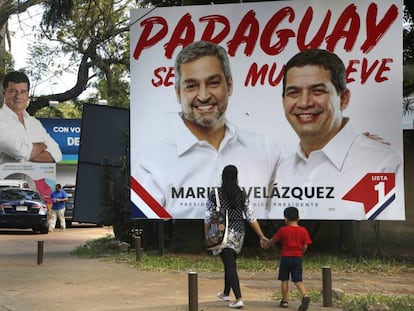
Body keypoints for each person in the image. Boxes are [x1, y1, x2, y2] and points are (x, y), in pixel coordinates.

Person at [134, 41, 283, 218]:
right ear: (177, 93)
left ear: (229, 86)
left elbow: (283, 216)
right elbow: (152, 235)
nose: (203, 96)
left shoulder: (267, 151)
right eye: (191, 86)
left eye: (213, 83)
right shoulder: (151, 165)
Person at [270, 49, 401, 219]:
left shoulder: (382, 164)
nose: (304, 103)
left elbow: (382, 237)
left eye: (317, 91)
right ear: (283, 102)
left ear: (344, 99)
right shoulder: (284, 170)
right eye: (293, 93)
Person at [204, 165, 268, 309]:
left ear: (223, 176)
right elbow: (251, 216)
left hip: (222, 232)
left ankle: (238, 298)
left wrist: (207, 234)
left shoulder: (215, 193)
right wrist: (261, 235)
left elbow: (208, 217)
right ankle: (226, 293)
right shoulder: (242, 193)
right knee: (230, 263)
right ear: (236, 176)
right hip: (239, 232)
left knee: (230, 265)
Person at [0, 71, 62, 164]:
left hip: (35, 178)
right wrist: (43, 145)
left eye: (23, 92)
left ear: (27, 94)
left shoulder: (35, 123)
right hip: (6, 178)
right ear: (4, 93)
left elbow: (57, 154)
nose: (18, 96)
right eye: (13, 91)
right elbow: (20, 152)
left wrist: (28, 153)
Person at [264, 206, 312, 310]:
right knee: (298, 279)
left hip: (285, 257)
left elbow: (274, 240)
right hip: (297, 257)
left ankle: (285, 301)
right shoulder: (303, 230)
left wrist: (267, 244)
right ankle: (305, 295)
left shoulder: (283, 230)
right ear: (298, 218)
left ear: (285, 218)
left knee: (284, 279)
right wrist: (301, 253)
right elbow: (305, 246)